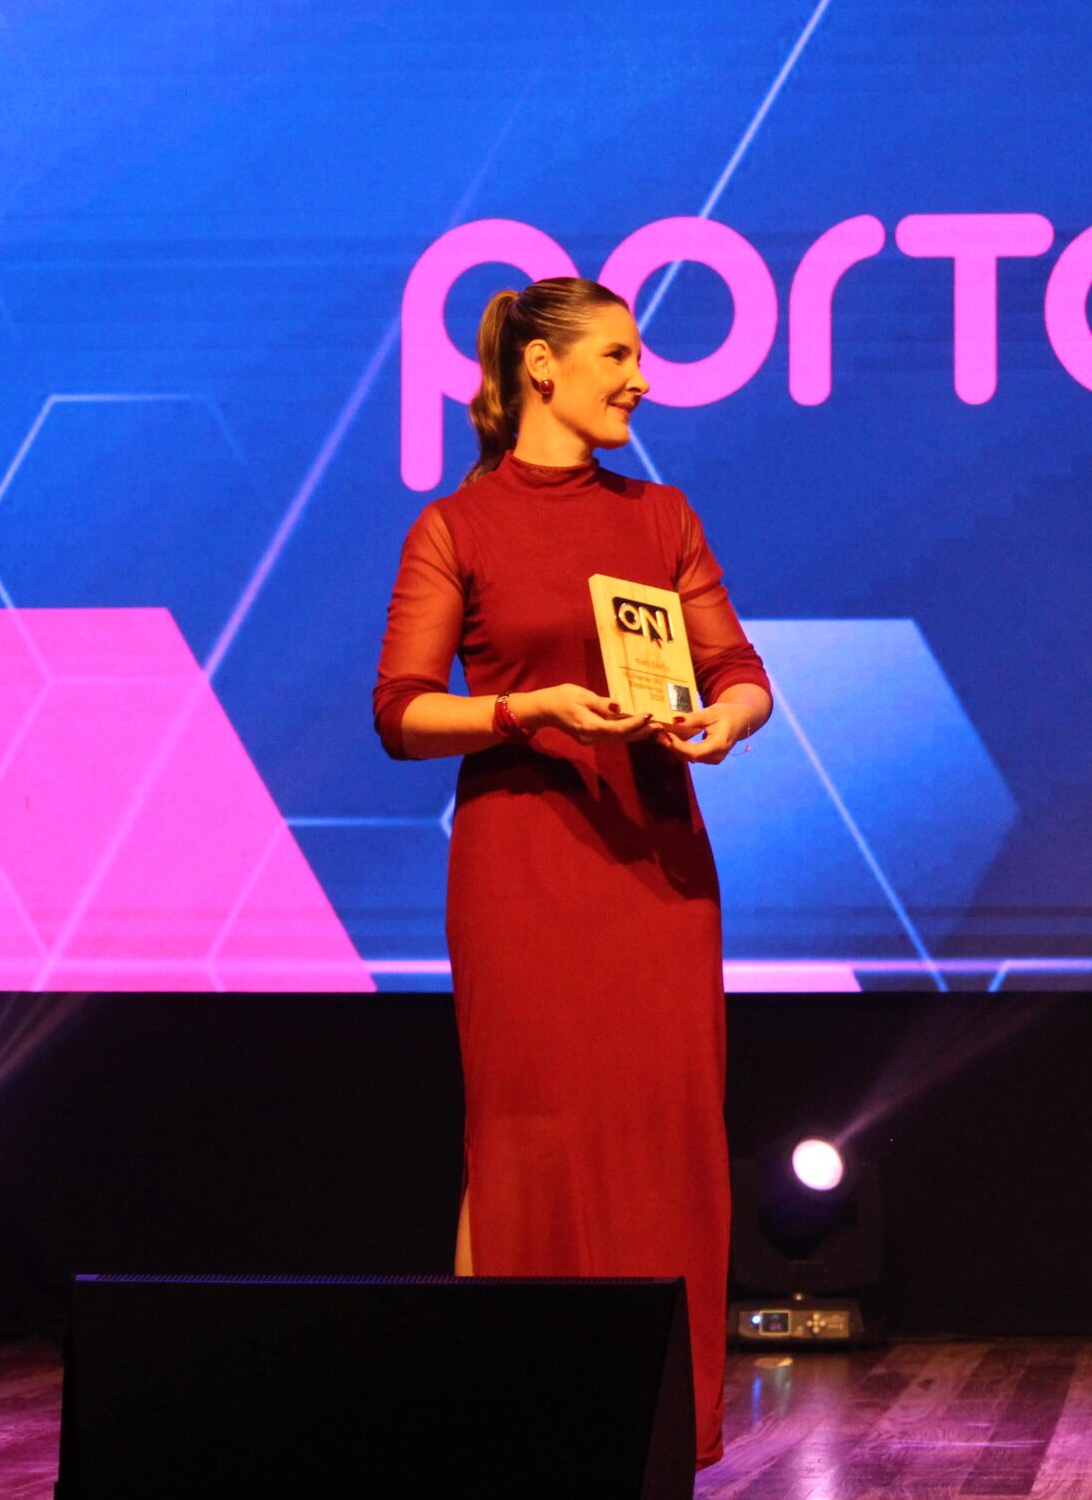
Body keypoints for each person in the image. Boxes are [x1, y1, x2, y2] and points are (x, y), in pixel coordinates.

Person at [371, 277, 771, 1469]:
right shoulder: (457, 527)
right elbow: (402, 712)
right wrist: (525, 708)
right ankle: (500, 1423)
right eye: (617, 356)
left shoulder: (662, 515)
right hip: (527, 868)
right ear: (541, 368)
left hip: (656, 866)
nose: (640, 379)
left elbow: (739, 670)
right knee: (525, 1137)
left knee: (661, 1138)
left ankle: (650, 1431)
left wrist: (726, 721)